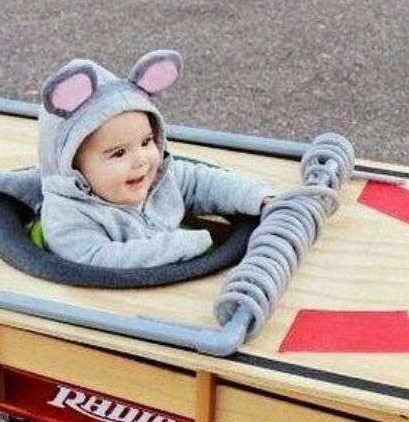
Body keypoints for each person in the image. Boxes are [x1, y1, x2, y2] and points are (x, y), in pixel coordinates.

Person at [38, 50, 275, 269]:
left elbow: (203, 183)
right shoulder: (67, 213)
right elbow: (96, 259)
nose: (142, 159)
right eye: (119, 153)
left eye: (146, 142)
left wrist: (260, 198)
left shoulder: (158, 178)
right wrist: (185, 244)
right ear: (74, 168)